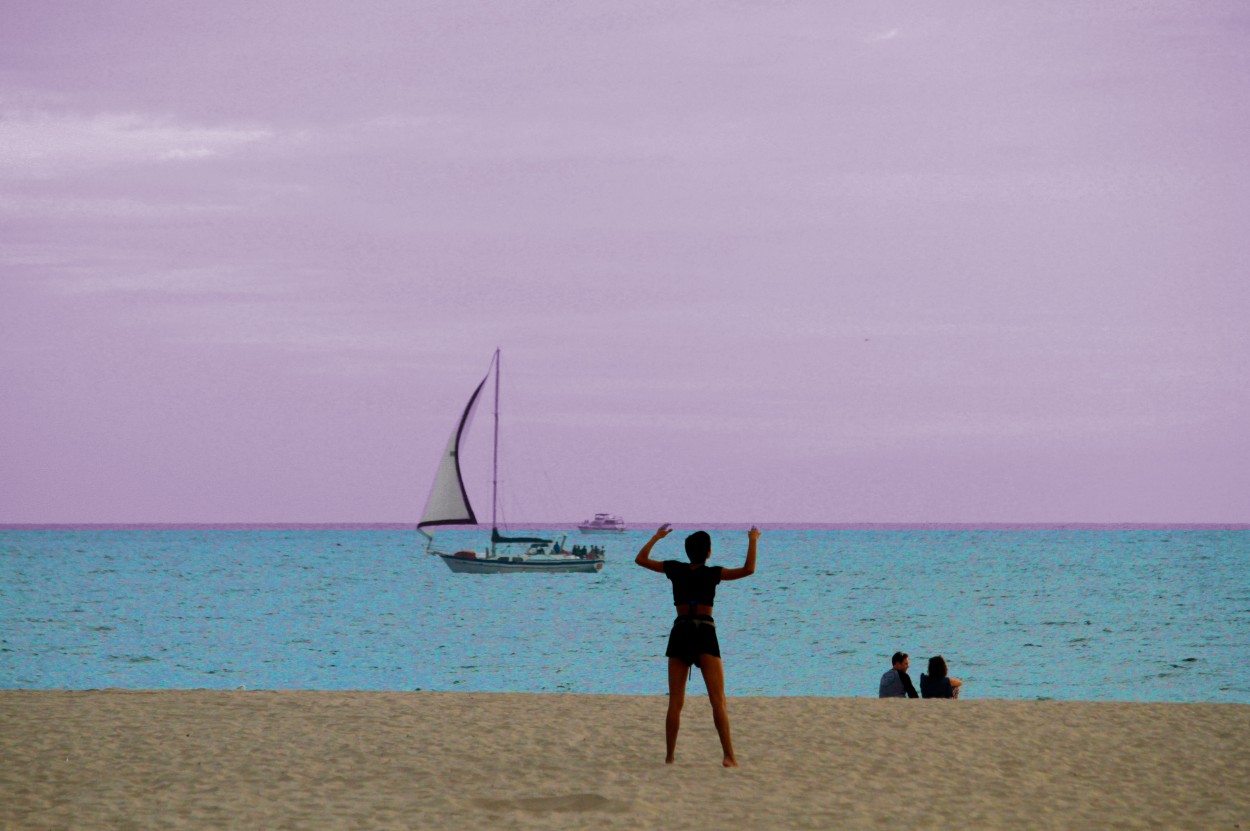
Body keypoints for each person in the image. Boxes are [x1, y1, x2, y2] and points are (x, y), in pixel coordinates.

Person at [635, 523, 759, 767]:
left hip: (681, 631)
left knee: (676, 703)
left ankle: (670, 757)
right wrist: (753, 539)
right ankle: (729, 756)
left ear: (687, 551)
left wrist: (657, 537)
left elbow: (640, 559)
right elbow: (748, 569)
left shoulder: (674, 568)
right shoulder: (713, 573)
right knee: (718, 700)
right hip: (704, 632)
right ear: (708, 553)